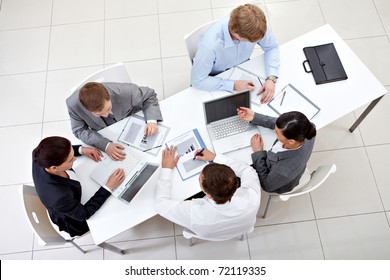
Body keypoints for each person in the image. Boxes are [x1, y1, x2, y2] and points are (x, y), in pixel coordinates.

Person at [155, 146, 261, 240]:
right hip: (241, 228)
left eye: (200, 179)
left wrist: (166, 169)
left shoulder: (194, 213)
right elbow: (248, 171)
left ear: (206, 193)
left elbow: (160, 205)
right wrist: (215, 157)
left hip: (210, 234)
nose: (199, 177)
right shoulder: (251, 197)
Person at [32, 136, 125, 237]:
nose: (75, 159)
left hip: (71, 199)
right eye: (71, 160)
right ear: (54, 168)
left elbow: (63, 152)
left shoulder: (40, 156)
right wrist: (108, 187)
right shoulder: (59, 197)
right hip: (75, 220)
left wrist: (81, 150)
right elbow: (84, 214)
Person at [191, 3, 280, 103]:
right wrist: (234, 85)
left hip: (242, 66)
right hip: (216, 76)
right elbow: (197, 81)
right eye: (250, 41)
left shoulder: (256, 24)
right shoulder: (210, 46)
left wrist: (271, 78)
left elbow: (272, 47)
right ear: (236, 35)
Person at [66, 82, 163, 161]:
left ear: (109, 96)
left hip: (132, 122)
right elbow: (79, 130)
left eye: (108, 109)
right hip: (108, 135)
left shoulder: (126, 91)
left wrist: (151, 121)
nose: (106, 115)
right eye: (98, 114)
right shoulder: (73, 105)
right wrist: (106, 145)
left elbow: (150, 95)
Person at [237, 107, 317, 194]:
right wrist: (254, 117)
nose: (274, 131)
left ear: (291, 141)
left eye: (277, 132)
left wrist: (258, 152)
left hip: (278, 181)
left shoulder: (283, 171)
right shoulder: (306, 129)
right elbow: (281, 125)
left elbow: (266, 185)